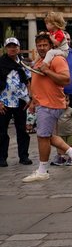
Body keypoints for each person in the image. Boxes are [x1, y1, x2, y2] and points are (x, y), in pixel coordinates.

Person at [22, 32, 72, 182]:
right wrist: (33, 101)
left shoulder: (57, 59)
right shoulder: (40, 61)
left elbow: (66, 79)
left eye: (45, 45)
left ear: (51, 46)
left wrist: (48, 71)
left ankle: (43, 171)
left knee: (42, 137)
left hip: (50, 104)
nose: (42, 48)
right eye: (39, 45)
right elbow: (36, 82)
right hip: (42, 103)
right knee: (46, 136)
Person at [0, 37, 32, 167]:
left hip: (21, 101)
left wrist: (30, 97)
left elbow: (29, 81)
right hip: (4, 102)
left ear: (19, 48)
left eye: (15, 46)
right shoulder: (1, 63)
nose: (12, 49)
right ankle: (2, 157)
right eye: (9, 46)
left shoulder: (23, 63)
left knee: (22, 131)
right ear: (5, 48)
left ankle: (24, 156)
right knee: (1, 131)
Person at [53, 95, 72, 166]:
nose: (65, 102)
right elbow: (55, 121)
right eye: (63, 101)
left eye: (67, 100)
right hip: (60, 134)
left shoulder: (71, 110)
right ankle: (62, 158)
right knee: (61, 146)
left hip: (70, 133)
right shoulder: (57, 111)